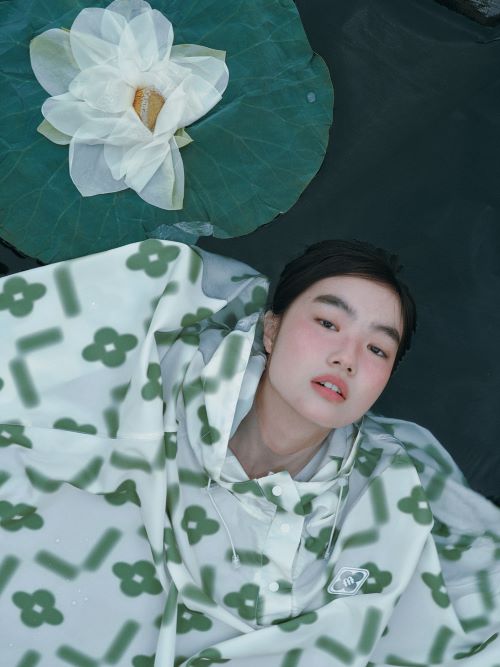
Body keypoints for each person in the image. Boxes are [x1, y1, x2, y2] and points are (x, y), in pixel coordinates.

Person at [0, 238, 498, 666]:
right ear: (272, 329)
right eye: (328, 323)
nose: (346, 358)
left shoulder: (387, 496)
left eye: (377, 349)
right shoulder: (166, 369)